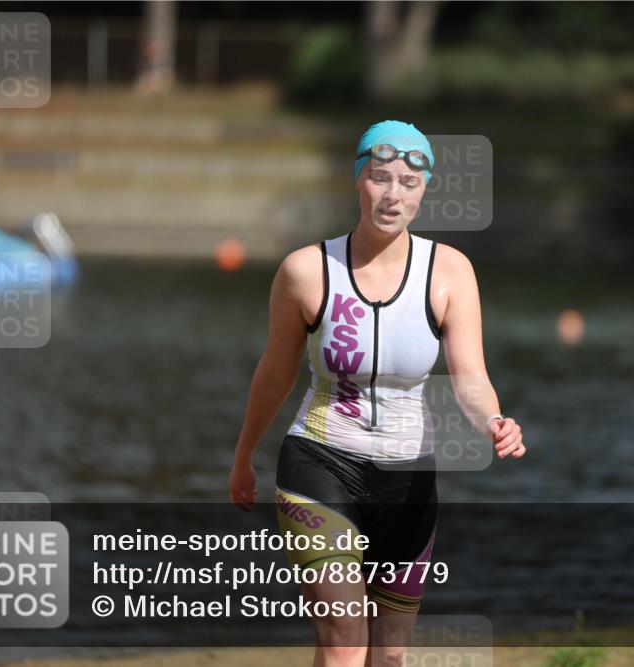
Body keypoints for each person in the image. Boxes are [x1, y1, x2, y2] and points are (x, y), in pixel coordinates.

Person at [229, 120, 526, 667]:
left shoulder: (451, 272)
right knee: (344, 641)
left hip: (408, 481)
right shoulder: (306, 270)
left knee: (387, 658)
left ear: (424, 190)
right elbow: (275, 371)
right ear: (358, 181)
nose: (392, 194)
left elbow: (469, 377)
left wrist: (493, 422)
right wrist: (245, 454)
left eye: (408, 183)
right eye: (380, 178)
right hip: (320, 462)